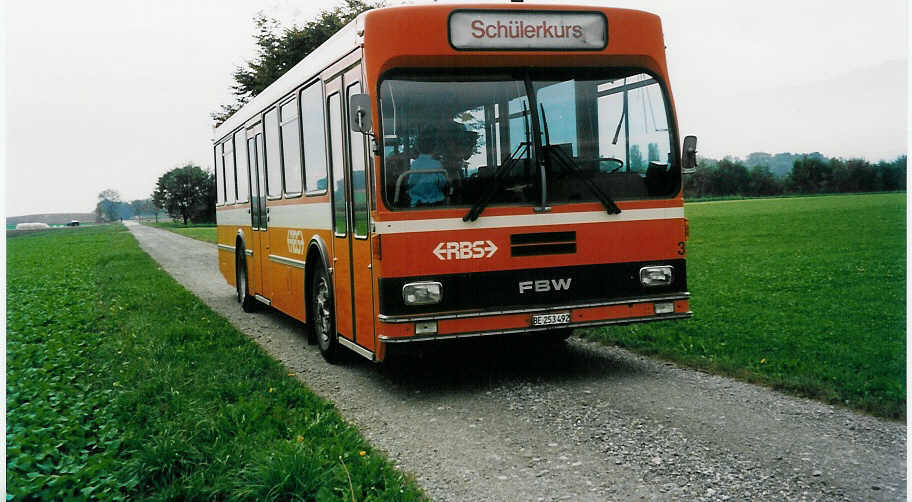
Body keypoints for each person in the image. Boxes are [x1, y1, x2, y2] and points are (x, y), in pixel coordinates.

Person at [408, 128, 447, 207]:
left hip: (417, 200)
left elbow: (411, 182)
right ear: (435, 148)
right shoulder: (438, 164)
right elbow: (442, 183)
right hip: (436, 199)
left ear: (418, 148)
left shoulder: (415, 163)